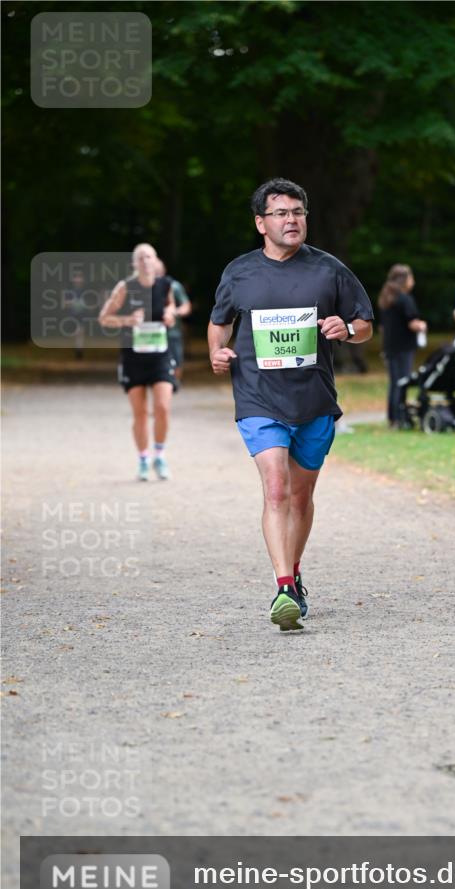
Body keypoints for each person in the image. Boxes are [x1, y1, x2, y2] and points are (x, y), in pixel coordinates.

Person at [208, 177, 373, 631]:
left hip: (314, 398)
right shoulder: (239, 272)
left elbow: (364, 322)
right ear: (261, 223)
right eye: (280, 213)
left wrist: (350, 330)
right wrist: (216, 353)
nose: (291, 220)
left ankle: (294, 573)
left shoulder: (329, 270)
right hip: (258, 397)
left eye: (297, 212)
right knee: (276, 487)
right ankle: (283, 586)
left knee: (301, 496)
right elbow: (218, 324)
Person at [99, 243, 178, 481]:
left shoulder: (166, 285)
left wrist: (170, 314)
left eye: (149, 256)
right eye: (140, 257)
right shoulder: (125, 287)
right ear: (134, 263)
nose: (145, 261)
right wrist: (126, 320)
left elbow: (171, 306)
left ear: (155, 261)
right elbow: (104, 318)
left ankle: (160, 455)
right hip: (133, 358)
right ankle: (143, 459)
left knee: (163, 408)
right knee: (141, 413)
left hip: (160, 355)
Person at [377, 264, 427, 427]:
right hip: (404, 347)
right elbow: (412, 323)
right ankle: (400, 418)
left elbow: (382, 327)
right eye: (411, 277)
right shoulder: (405, 299)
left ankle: (393, 417)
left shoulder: (386, 298)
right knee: (403, 381)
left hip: (390, 346)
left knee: (394, 382)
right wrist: (422, 326)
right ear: (404, 280)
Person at [155, 259, 192, 378]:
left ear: (163, 270)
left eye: (158, 270)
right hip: (151, 332)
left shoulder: (174, 286)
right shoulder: (141, 286)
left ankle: (174, 386)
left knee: (176, 361)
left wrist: (173, 312)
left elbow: (186, 306)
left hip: (172, 331)